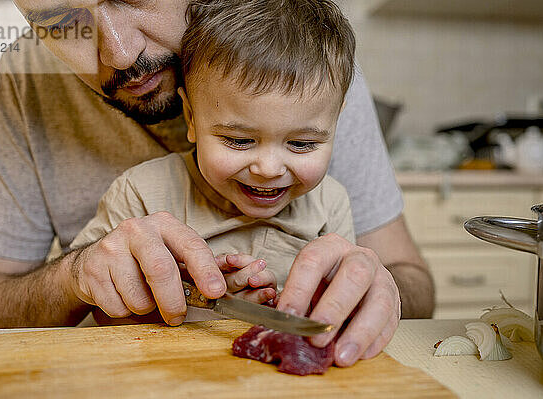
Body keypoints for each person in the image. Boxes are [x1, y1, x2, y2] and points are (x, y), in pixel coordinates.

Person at [0, 0, 434, 368]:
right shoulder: (29, 74)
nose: (118, 53)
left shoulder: (301, 56)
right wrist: (75, 277)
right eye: (59, 23)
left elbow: (411, 280)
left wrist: (378, 290)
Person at [70, 0, 359, 326]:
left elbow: (341, 310)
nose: (268, 169)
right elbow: (99, 313)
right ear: (191, 118)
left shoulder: (331, 204)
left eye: (302, 144)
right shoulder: (139, 193)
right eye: (239, 140)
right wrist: (195, 308)